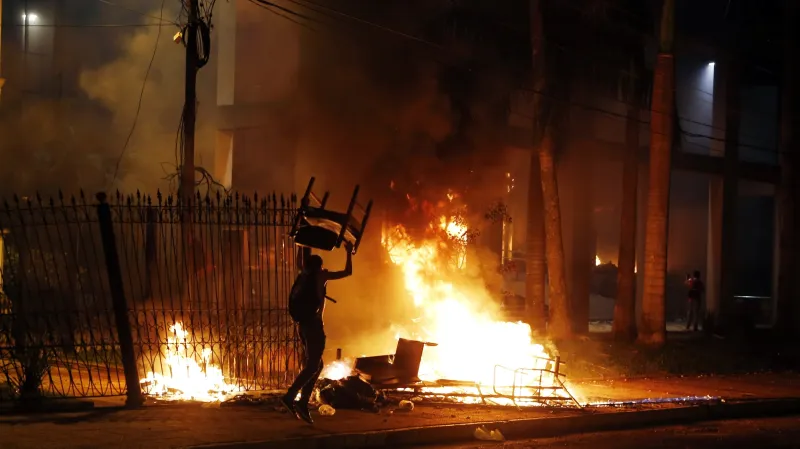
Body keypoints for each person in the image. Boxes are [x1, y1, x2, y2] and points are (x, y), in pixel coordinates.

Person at [281, 243, 353, 424]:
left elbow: (299, 261)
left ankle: (303, 402)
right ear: (320, 266)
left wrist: (300, 243)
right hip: (313, 326)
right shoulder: (321, 275)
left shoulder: (303, 274)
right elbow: (347, 272)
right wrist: (348, 252)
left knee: (316, 365)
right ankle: (291, 397)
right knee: (313, 366)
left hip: (303, 326)